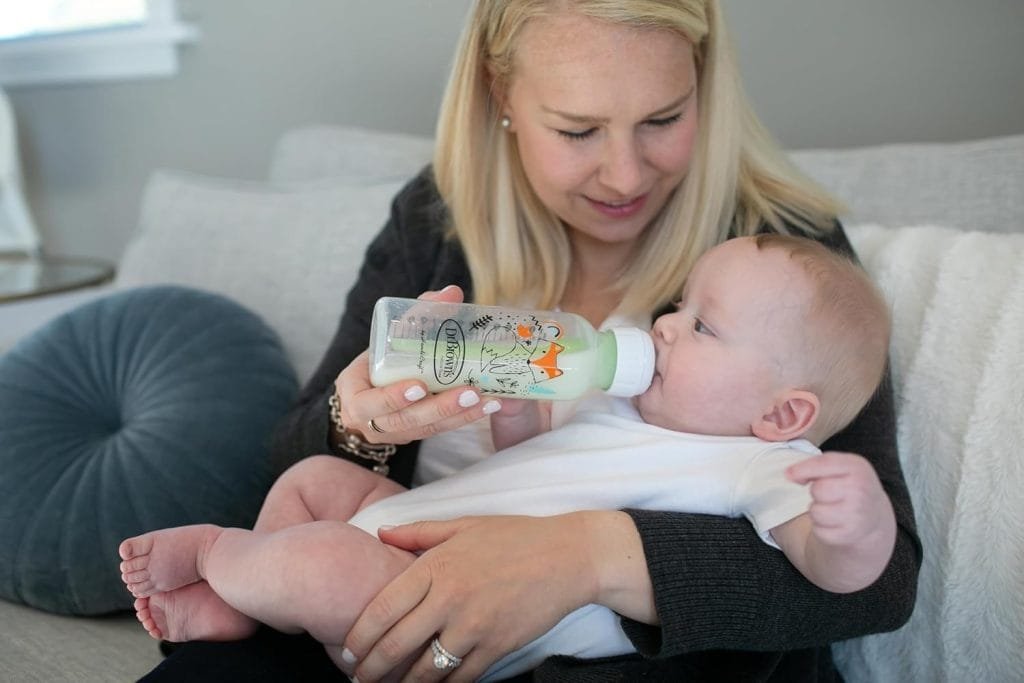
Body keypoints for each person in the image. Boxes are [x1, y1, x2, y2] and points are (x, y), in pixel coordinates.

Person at [142, 1, 921, 681]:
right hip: (381, 599)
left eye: (663, 119)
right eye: (578, 129)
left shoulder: (784, 259)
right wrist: (359, 423)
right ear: (501, 94)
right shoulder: (438, 220)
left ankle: (223, 563)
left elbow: (880, 583)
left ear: (704, 83)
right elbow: (297, 450)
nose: (625, 175)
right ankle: (243, 596)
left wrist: (586, 555)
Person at [122, 234, 896, 681]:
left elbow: (844, 577)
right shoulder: (622, 401)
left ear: (783, 413)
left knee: (322, 561)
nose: (664, 325)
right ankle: (249, 605)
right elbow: (532, 468)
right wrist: (516, 411)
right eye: (678, 305)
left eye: (703, 327)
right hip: (415, 522)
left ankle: (219, 554)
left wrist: (855, 523)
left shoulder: (768, 465)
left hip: (437, 606)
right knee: (316, 479)